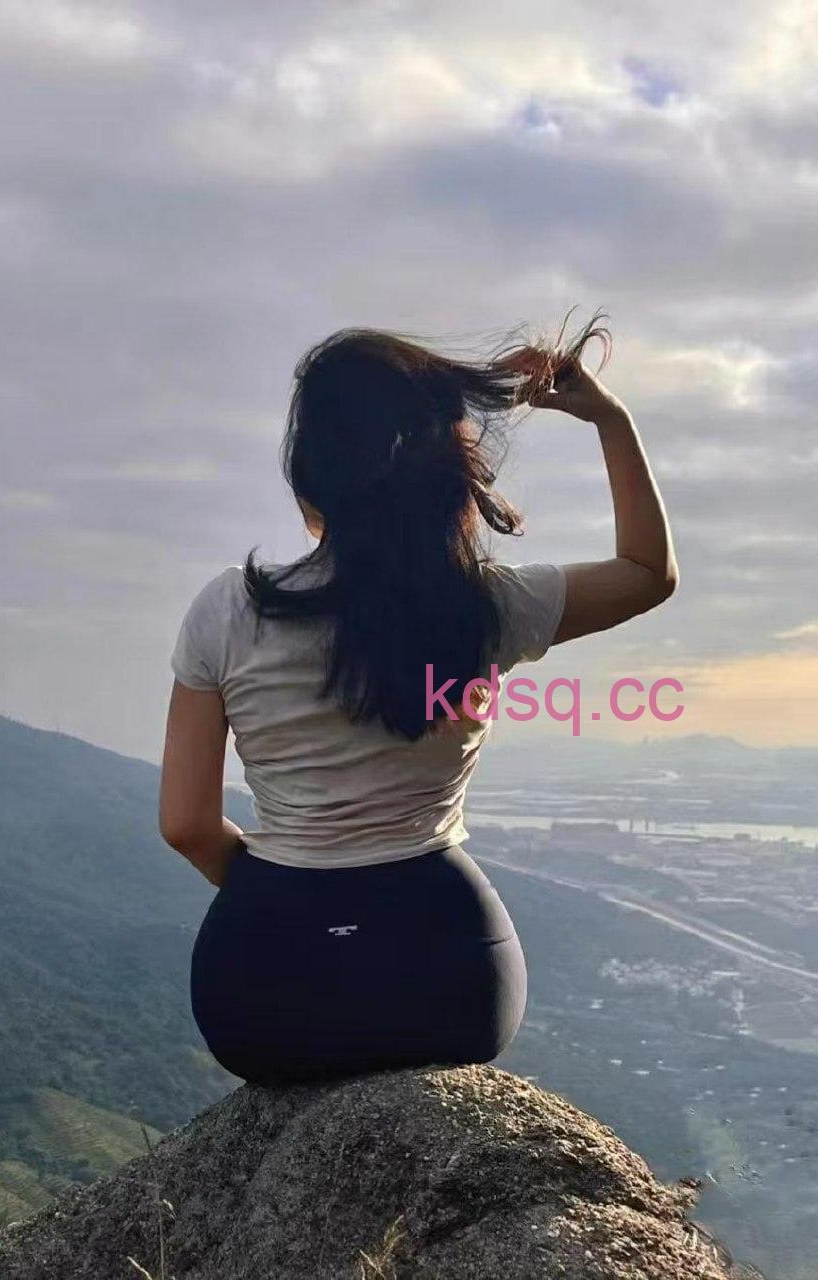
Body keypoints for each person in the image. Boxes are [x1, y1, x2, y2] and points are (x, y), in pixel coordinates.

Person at [158, 310, 678, 1083]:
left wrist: (284, 892)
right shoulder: (485, 606)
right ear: (443, 473)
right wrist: (611, 418)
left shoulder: (229, 610)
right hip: (449, 985)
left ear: (310, 474)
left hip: (261, 998)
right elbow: (646, 573)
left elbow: (187, 826)